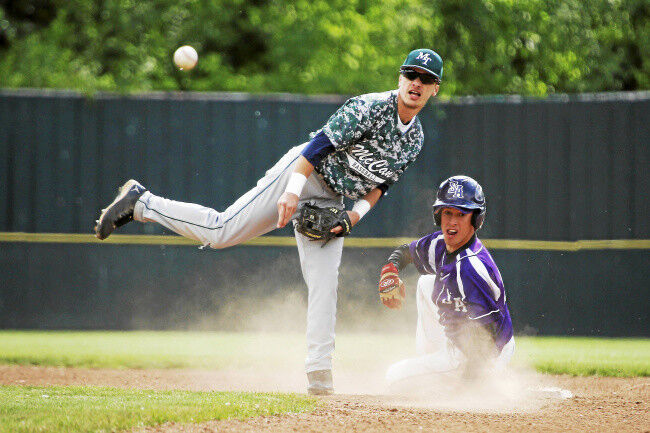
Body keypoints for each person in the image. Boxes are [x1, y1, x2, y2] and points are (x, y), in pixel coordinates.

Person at [94, 48, 443, 395]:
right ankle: (143, 203)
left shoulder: (415, 139)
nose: (416, 82)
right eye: (411, 74)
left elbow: (381, 185)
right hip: (303, 173)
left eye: (425, 79)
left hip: (332, 200)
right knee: (222, 230)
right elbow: (316, 147)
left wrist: (353, 216)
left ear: (434, 89)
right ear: (400, 78)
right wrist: (291, 191)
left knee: (325, 281)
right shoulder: (369, 108)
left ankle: (319, 371)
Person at [378, 175, 514, 393]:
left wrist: (466, 387)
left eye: (461, 214)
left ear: (476, 219)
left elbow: (488, 338)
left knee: (393, 378)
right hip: (461, 340)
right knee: (426, 283)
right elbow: (405, 252)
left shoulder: (470, 268)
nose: (452, 221)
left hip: (485, 353)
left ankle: (476, 379)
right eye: (447, 212)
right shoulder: (440, 244)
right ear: (438, 215)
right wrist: (390, 270)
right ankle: (433, 364)